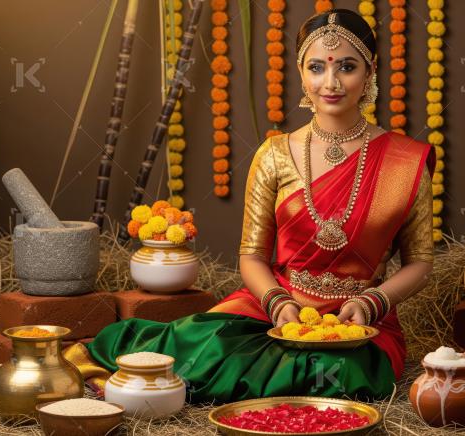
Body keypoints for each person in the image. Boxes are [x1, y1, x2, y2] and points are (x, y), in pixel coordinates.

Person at [64, 8, 435, 403]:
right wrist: (278, 304)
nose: (330, 82)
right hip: (275, 309)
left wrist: (372, 302)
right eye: (316, 67)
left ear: (370, 70)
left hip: (360, 325)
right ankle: (127, 378)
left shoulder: (404, 160)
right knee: (207, 343)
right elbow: (252, 256)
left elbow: (420, 264)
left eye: (346, 66)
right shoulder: (275, 154)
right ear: (301, 72)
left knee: (340, 371)